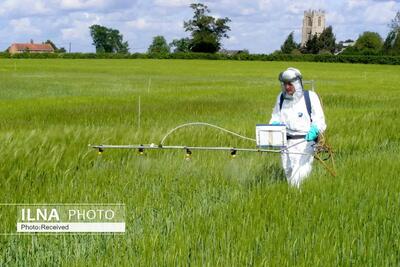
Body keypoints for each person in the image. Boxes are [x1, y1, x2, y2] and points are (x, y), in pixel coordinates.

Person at [269, 67, 326, 187]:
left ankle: (299, 199)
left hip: (304, 142)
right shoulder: (281, 97)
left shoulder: (310, 97)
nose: (287, 87)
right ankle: (292, 200)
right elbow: (275, 116)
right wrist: (274, 125)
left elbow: (319, 120)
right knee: (288, 172)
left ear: (297, 83)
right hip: (285, 142)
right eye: (284, 84)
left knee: (299, 176)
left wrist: (315, 130)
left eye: (290, 84)